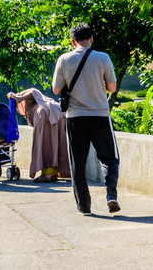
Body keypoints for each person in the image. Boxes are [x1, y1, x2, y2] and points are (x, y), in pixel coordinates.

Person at [52, 23, 120, 215]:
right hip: (100, 115)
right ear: (91, 39)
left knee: (78, 163)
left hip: (75, 118)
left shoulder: (64, 59)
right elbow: (112, 88)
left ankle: (84, 207)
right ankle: (111, 195)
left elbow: (56, 90)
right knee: (110, 158)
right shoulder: (103, 58)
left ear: (73, 41)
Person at [7, 88, 70, 182]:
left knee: (45, 144)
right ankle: (56, 172)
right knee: (59, 143)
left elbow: (31, 91)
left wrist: (13, 95)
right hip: (60, 112)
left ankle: (47, 174)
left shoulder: (36, 106)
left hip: (44, 115)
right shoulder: (48, 101)